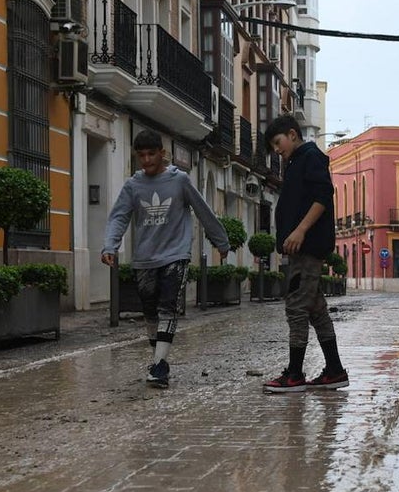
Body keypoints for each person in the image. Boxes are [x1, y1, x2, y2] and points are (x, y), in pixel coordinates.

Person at [101, 129, 230, 388]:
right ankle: (159, 360)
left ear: (162, 153)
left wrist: (221, 241)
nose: (147, 160)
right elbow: (119, 217)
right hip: (145, 258)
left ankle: (159, 366)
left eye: (151, 154)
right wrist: (109, 246)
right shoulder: (133, 185)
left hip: (176, 254)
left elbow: (202, 209)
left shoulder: (179, 180)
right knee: (150, 312)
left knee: (167, 306)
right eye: (141, 155)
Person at [261, 114, 348, 393]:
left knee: (297, 307)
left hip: (308, 247)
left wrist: (299, 231)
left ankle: (295, 375)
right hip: (302, 249)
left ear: (292, 134)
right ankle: (334, 370)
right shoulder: (297, 162)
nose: (277, 149)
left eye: (278, 142)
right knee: (315, 309)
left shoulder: (311, 156)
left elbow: (323, 196)